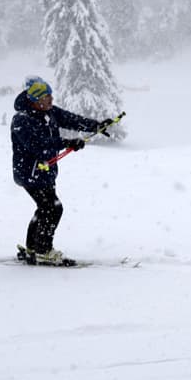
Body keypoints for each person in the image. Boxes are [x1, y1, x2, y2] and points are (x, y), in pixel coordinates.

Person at [10, 76, 113, 265]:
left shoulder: (48, 112)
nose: (51, 100)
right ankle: (43, 250)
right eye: (47, 97)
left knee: (45, 208)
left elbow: (70, 119)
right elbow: (38, 145)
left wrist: (95, 125)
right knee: (52, 208)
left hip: (45, 172)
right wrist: (66, 142)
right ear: (36, 100)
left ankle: (33, 248)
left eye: (51, 95)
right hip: (30, 173)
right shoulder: (21, 120)